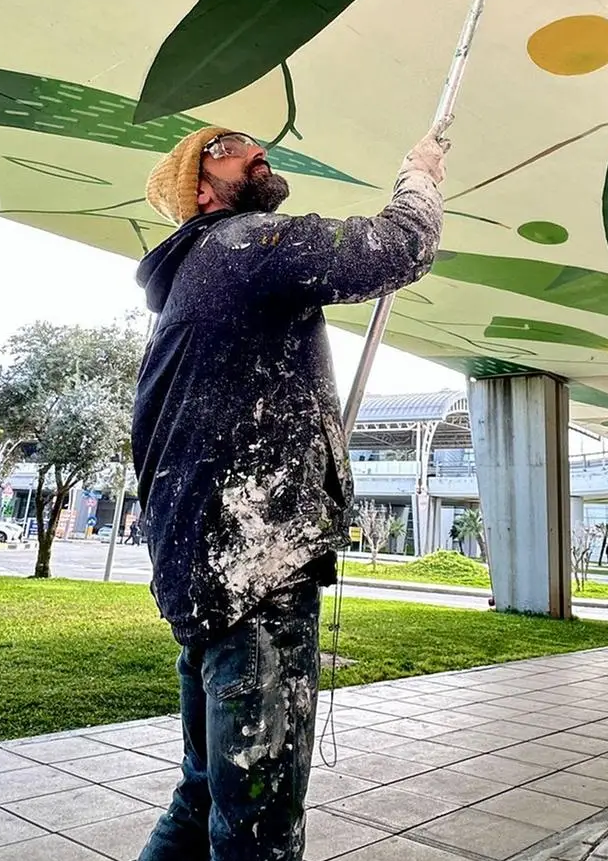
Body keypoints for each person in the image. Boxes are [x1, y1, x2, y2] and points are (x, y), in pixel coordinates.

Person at [131, 124, 446, 861]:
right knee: (259, 827)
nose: (254, 146)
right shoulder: (241, 242)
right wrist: (421, 175)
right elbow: (399, 246)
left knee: (205, 792)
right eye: (228, 144)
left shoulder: (193, 277)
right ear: (201, 191)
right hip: (256, 579)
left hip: (207, 580)